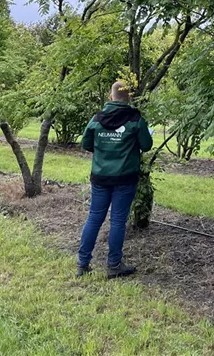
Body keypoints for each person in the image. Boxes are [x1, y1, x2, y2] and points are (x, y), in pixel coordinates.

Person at [77, 80, 153, 278]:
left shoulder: (96, 119)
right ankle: (113, 265)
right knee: (118, 221)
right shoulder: (135, 119)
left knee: (94, 217)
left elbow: (86, 144)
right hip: (125, 179)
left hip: (100, 177)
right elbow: (146, 145)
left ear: (111, 97)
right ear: (128, 98)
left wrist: (103, 150)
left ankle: (83, 263)